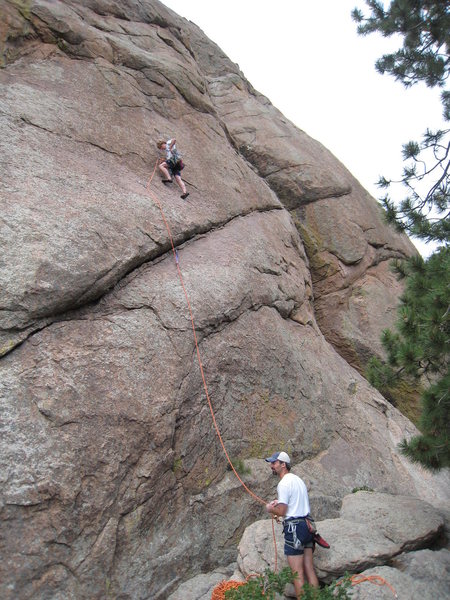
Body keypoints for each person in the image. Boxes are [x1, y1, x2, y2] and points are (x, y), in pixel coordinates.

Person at [265, 451, 319, 598]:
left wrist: (271, 509)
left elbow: (282, 511)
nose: (272, 466)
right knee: (309, 569)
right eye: (271, 463)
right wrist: (278, 506)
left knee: (297, 574)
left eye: (274, 463)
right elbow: (293, 503)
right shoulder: (298, 480)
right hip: (308, 526)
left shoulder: (283, 484)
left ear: (283, 464)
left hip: (294, 528)